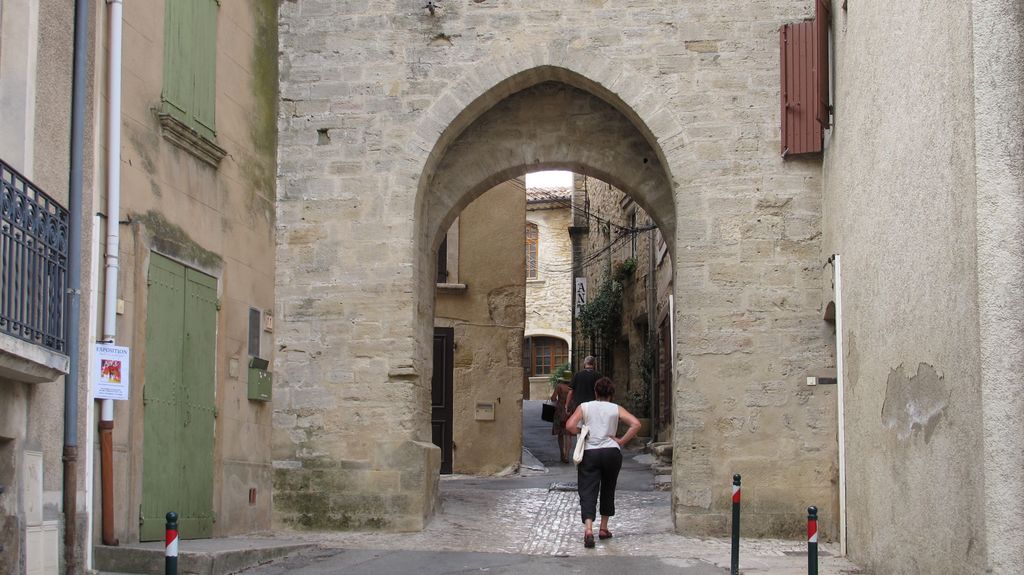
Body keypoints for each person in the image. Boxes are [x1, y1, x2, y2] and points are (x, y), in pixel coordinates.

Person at [565, 377, 641, 548]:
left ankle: (589, 529)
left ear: (595, 392)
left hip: (590, 453)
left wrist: (583, 431)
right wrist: (620, 441)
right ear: (611, 394)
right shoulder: (616, 408)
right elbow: (635, 424)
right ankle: (604, 528)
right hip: (611, 452)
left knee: (587, 489)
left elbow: (569, 425)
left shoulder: (585, 407)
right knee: (608, 487)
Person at [550, 372, 573, 463]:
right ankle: (567, 455)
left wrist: (558, 402)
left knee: (560, 433)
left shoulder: (559, 386)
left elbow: (553, 398)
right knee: (568, 434)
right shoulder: (572, 387)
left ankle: (562, 454)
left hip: (560, 411)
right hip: (570, 411)